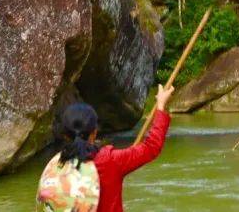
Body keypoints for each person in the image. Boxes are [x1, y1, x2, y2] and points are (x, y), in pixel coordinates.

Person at [37, 84, 175, 212]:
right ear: (94, 132)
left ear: (64, 135)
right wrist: (161, 106)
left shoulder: (57, 165)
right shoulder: (111, 161)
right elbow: (151, 146)